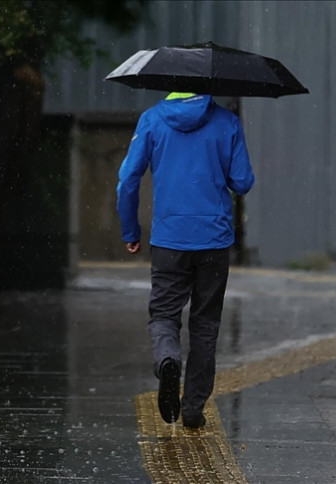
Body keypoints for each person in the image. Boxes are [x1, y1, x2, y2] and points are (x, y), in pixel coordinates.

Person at [116, 92, 255, 428]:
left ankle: (167, 360)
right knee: (205, 324)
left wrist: (130, 230)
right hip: (214, 240)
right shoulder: (227, 121)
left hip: (169, 239)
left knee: (163, 314)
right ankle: (193, 408)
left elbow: (127, 180)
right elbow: (243, 181)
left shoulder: (152, 119)